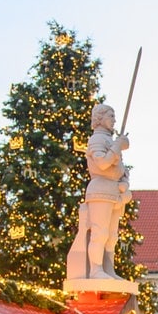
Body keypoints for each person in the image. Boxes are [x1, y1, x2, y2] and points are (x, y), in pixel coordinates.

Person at [66, 103, 132, 282]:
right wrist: (118, 146)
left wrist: (124, 182)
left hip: (113, 190)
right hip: (100, 190)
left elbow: (119, 169)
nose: (114, 119)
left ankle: (108, 269)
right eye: (110, 116)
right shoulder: (97, 140)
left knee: (111, 236)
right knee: (99, 232)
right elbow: (103, 163)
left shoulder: (109, 140)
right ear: (100, 119)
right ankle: (96, 270)